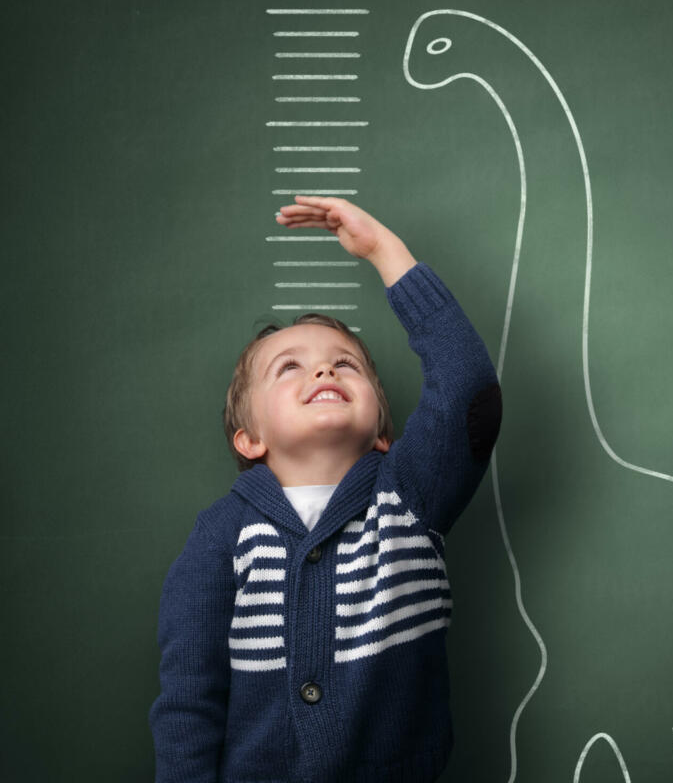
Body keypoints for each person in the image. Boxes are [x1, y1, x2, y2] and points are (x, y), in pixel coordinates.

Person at [149, 196, 502, 783]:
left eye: (347, 365)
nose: (324, 371)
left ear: (384, 435)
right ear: (249, 439)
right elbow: (188, 701)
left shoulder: (410, 497)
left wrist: (385, 253)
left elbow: (470, 391)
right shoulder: (221, 538)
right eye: (289, 367)